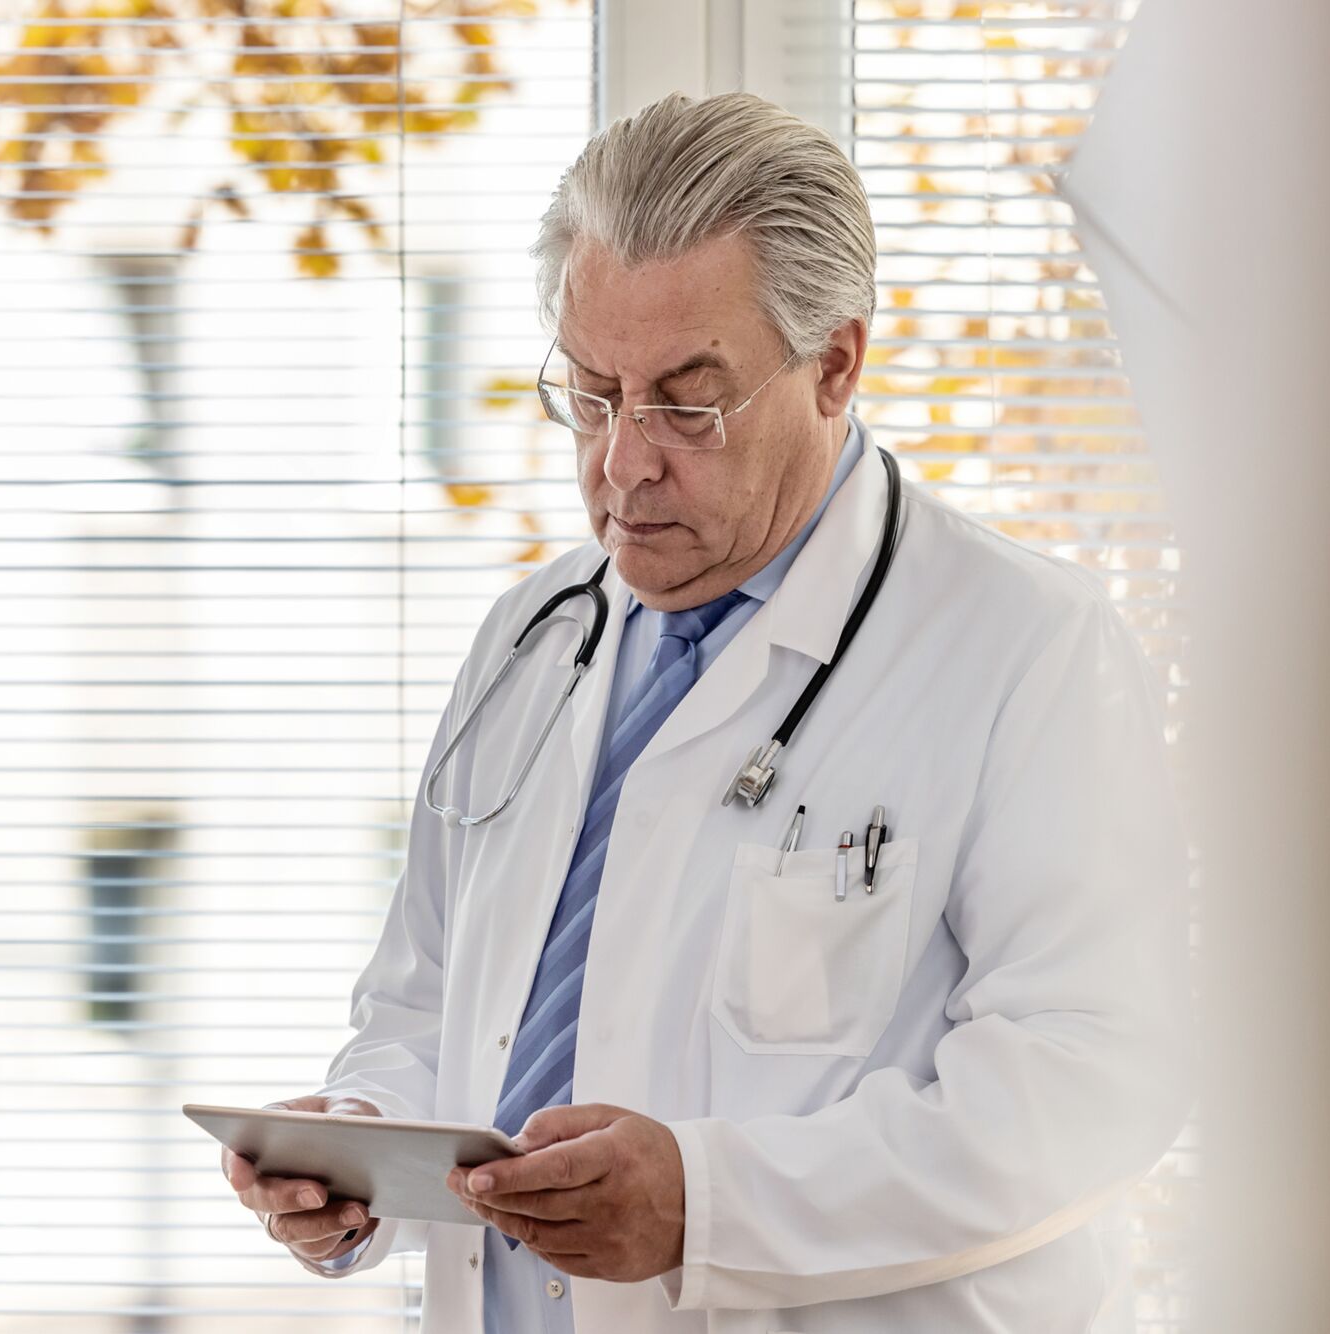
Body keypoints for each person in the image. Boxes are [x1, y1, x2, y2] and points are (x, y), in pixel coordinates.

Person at [219, 90, 1192, 1333]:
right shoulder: (532, 637)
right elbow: (423, 1003)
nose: (623, 460)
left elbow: (1092, 1081)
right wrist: (356, 1146)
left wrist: (706, 1203)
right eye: (590, 392)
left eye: (688, 401)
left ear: (833, 361)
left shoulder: (1026, 648)